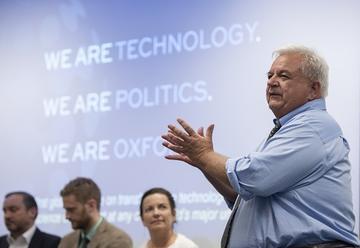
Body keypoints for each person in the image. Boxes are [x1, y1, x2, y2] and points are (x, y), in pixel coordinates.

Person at [161, 45, 360, 247]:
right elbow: (242, 194)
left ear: (313, 89)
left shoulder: (314, 126)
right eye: (269, 76)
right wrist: (204, 162)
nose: (272, 82)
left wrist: (205, 155)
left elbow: (256, 176)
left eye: (284, 76)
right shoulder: (285, 131)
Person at [58, 177, 133, 248]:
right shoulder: (66, 241)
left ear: (91, 205)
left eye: (71, 210)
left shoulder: (118, 240)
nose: (67, 216)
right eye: (66, 210)